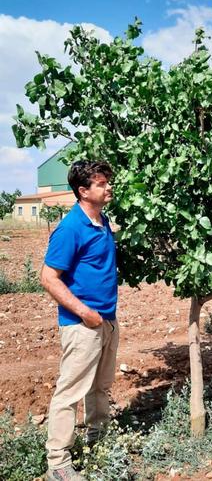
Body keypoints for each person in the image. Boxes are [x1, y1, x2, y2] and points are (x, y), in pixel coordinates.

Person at [41, 160, 119, 481]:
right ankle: (58, 462)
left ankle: (96, 440)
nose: (108, 187)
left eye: (107, 182)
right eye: (101, 183)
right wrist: (84, 312)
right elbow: (48, 277)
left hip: (108, 321)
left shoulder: (102, 220)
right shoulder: (71, 228)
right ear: (83, 191)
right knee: (70, 391)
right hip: (82, 325)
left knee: (100, 386)